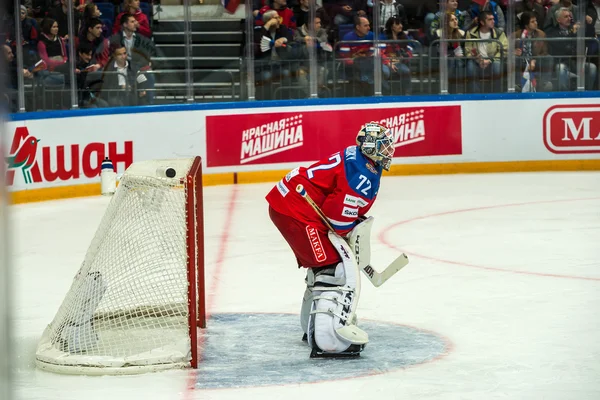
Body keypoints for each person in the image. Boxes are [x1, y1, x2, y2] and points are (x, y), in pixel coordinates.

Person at [265, 121, 395, 358]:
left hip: (290, 202)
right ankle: (328, 338)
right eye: (383, 145)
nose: (389, 150)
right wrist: (348, 231)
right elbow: (336, 218)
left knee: (325, 263)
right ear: (369, 147)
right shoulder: (362, 174)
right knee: (334, 268)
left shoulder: (359, 159)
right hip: (296, 211)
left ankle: (312, 326)